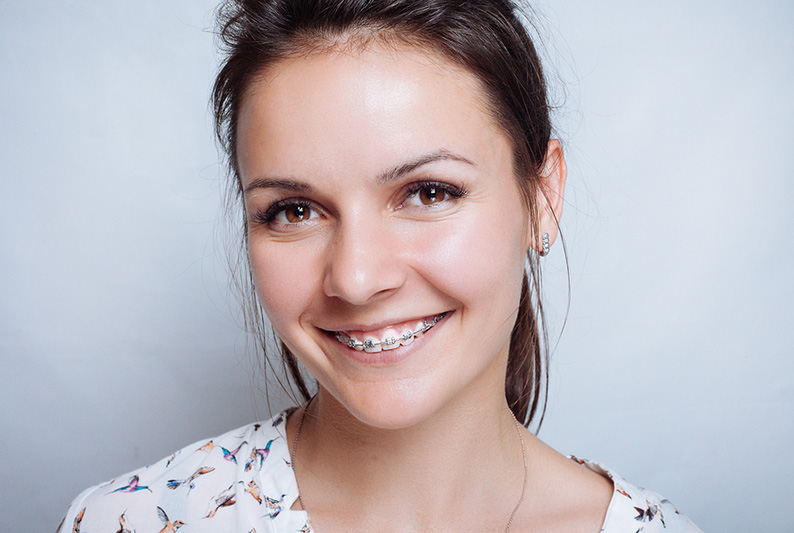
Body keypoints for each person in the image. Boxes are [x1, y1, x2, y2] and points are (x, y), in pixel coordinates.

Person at [58, 0, 701, 531]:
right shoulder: (133, 519)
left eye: (428, 192)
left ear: (541, 197)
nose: (357, 278)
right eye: (294, 211)